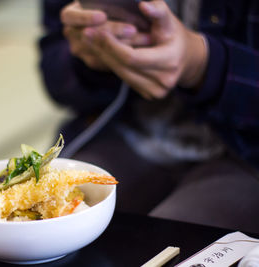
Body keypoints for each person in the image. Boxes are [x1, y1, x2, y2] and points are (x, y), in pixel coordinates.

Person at [38, 0, 259, 233]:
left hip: (245, 154)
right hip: (125, 132)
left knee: (169, 242)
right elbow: (54, 74)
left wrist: (202, 65)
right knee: (35, 218)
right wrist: (90, 56)